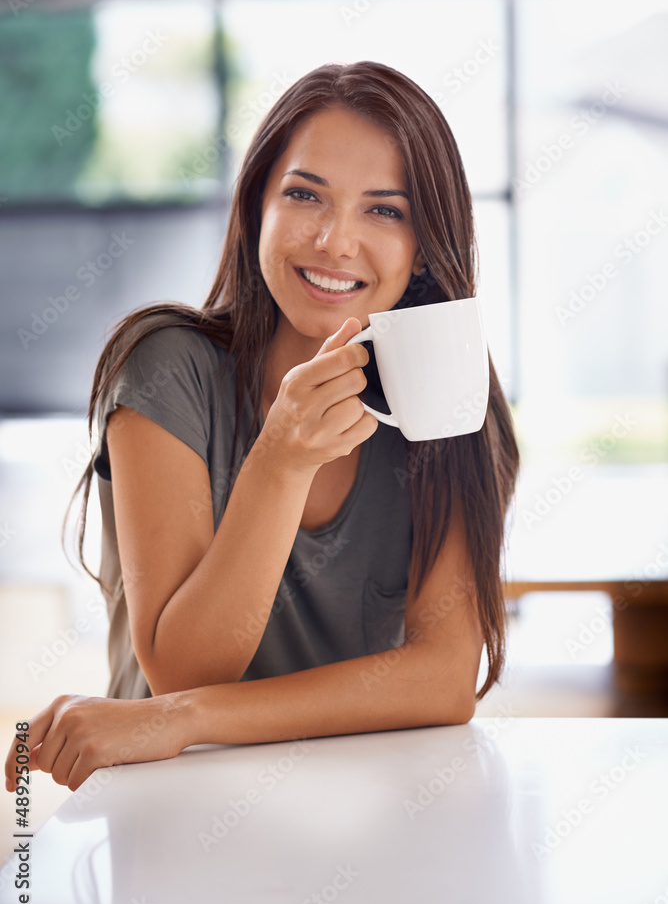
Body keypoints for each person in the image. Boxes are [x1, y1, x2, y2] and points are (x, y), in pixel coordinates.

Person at [5, 60, 520, 794]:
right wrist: (279, 463)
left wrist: (184, 719)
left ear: (425, 245)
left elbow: (441, 682)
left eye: (385, 210)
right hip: (170, 802)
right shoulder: (166, 369)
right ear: (256, 210)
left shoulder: (451, 400)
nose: (335, 241)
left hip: (355, 807)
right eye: (304, 195)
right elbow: (185, 669)